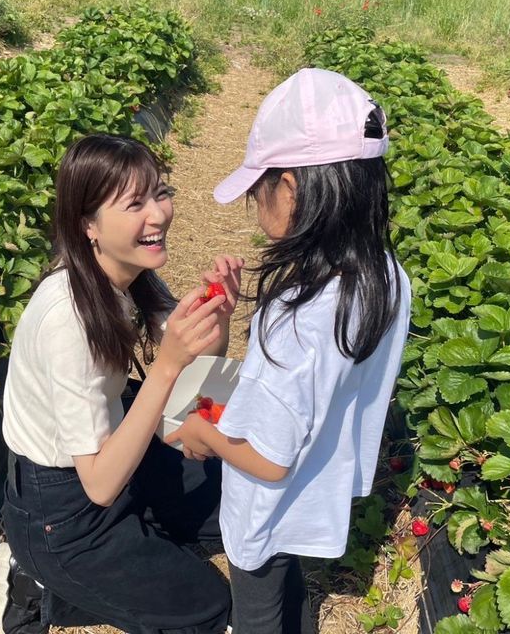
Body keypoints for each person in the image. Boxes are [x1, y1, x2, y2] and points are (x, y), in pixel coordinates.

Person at [165, 68, 412, 634]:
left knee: (258, 609)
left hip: (264, 505)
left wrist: (200, 433)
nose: (255, 203)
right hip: (313, 493)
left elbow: (269, 458)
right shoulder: (385, 277)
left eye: (259, 188)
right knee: (290, 591)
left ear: (292, 189)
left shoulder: (300, 316)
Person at [0, 133, 243, 634]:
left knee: (237, 509)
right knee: (211, 609)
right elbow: (101, 485)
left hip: (121, 441)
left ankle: (140, 534)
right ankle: (34, 583)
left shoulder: (131, 274)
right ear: (87, 225)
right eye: (134, 204)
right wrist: (167, 365)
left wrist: (217, 327)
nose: (158, 214)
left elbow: (193, 394)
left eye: (160, 193)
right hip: (64, 508)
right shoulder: (68, 319)